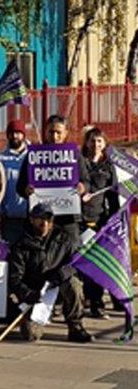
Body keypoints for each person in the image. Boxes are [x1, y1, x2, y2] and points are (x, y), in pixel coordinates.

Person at [8, 202, 91, 343]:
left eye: (48, 219)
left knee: (74, 283)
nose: (44, 222)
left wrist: (63, 273)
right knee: (31, 336)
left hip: (57, 286)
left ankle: (75, 326)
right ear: (32, 219)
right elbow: (15, 278)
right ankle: (35, 318)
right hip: (36, 293)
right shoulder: (20, 245)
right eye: (40, 218)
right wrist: (28, 294)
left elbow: (76, 263)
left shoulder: (64, 238)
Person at [15, 115, 83, 247]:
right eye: (51, 132)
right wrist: (26, 190)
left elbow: (86, 181)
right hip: (41, 221)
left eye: (59, 132)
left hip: (68, 220)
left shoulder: (75, 156)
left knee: (69, 258)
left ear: (66, 133)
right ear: (45, 132)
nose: (55, 136)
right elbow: (20, 186)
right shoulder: (33, 156)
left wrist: (82, 187)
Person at [79, 127, 119, 318]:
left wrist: (114, 218)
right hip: (78, 220)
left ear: (104, 144)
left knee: (96, 264)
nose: (96, 145)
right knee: (79, 263)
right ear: (86, 143)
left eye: (99, 141)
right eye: (92, 141)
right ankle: (79, 300)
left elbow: (113, 195)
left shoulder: (108, 166)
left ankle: (96, 301)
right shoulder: (79, 162)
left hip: (99, 220)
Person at [0, 119, 29, 245]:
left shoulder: (34, 156)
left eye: (18, 132)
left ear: (24, 135)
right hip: (10, 218)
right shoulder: (1, 159)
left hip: (30, 218)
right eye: (12, 133)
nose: (15, 136)